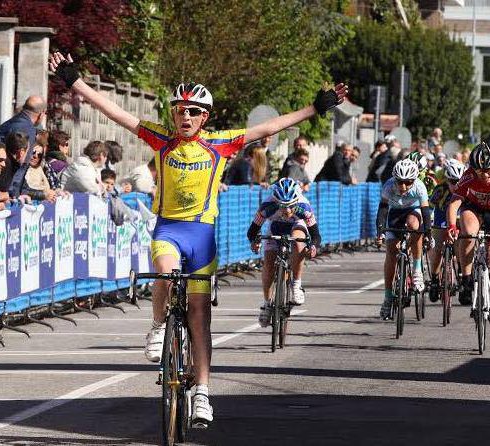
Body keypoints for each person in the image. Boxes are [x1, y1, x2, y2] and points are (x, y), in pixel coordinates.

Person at [49, 50, 346, 427]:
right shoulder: (161, 139)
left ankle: (203, 392)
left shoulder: (220, 143)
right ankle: (159, 326)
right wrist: (76, 82)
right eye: (179, 111)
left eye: (193, 111)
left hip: (201, 236)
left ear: (204, 117)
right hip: (169, 229)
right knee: (164, 271)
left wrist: (315, 108)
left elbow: (269, 128)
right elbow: (116, 113)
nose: (185, 117)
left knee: (200, 315)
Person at [446, 142, 490, 333]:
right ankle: (466, 278)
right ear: (473, 169)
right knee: (468, 233)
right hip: (474, 209)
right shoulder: (468, 176)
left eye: (489, 170)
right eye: (480, 171)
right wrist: (452, 226)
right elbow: (454, 204)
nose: (485, 175)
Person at [247, 178, 320, 324]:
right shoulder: (267, 207)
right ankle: (267, 304)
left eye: (290, 206)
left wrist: (313, 246)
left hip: (296, 226)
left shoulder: (304, 208)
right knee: (268, 264)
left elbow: (316, 235)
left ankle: (296, 284)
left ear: (296, 202)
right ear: (276, 202)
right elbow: (252, 231)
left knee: (298, 241)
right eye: (282, 206)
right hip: (275, 228)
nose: (287, 210)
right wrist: (254, 242)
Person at [376, 159, 431, 320]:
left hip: (414, 211)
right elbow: (382, 210)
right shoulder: (388, 186)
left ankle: (417, 269)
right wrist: (380, 232)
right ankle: (388, 297)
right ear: (395, 179)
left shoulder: (420, 187)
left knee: (414, 226)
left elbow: (425, 212)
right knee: (391, 252)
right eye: (400, 182)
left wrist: (427, 233)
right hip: (394, 214)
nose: (404, 186)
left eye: (408, 182)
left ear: (414, 180)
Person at [427, 159, 465, 302]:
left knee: (461, 246)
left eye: (458, 182)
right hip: (441, 219)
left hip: (459, 219)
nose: (456, 185)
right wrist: (427, 222)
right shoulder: (440, 189)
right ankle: (435, 279)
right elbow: (429, 207)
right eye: (453, 182)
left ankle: (462, 275)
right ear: (447, 180)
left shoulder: (467, 188)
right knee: (437, 249)